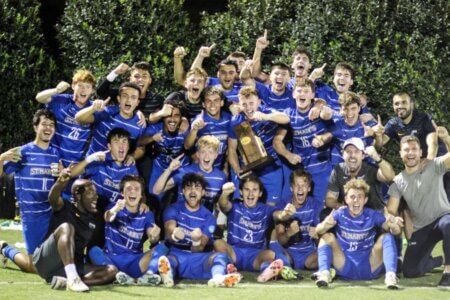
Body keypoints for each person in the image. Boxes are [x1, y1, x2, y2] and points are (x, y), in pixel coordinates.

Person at [31, 170, 117, 292]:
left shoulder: (94, 219)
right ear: (77, 195)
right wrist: (60, 183)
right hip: (47, 260)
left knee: (112, 270)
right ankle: (72, 277)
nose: (95, 197)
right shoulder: (64, 206)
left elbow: (92, 250)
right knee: (67, 227)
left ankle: (69, 282)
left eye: (96, 193)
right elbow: (53, 198)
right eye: (90, 193)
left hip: (68, 268)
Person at [0, 109, 60, 273]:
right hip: (32, 215)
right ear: (35, 127)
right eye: (44, 124)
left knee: (59, 260)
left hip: (52, 214)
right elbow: (2, 173)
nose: (48, 128)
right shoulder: (23, 152)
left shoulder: (56, 153)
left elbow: (58, 182)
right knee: (35, 268)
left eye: (52, 125)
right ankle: (5, 248)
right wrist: (1, 158)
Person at [315, 178, 403, 289]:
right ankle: (324, 274)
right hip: (344, 264)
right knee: (327, 236)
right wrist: (324, 226)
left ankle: (390, 276)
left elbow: (396, 232)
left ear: (365, 200)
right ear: (346, 199)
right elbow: (318, 231)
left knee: (387, 236)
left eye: (360, 197)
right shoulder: (339, 214)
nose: (356, 200)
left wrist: (394, 226)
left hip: (369, 265)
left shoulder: (372, 215)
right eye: (352, 197)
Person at [387, 134, 450, 287]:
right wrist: (392, 219)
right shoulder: (398, 181)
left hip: (443, 218)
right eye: (406, 150)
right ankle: (439, 260)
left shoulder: (433, 165)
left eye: (414, 149)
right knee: (410, 271)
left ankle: (448, 272)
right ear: (401, 153)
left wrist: (447, 138)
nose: (410, 153)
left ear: (421, 152)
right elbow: (390, 210)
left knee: (449, 224)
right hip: (422, 228)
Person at [157, 173, 242, 287]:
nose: (192, 191)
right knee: (168, 260)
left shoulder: (209, 217)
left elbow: (199, 248)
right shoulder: (173, 209)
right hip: (177, 255)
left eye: (197, 188)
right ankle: (168, 275)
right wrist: (175, 233)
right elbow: (169, 229)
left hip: (199, 259)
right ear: (183, 191)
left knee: (221, 256)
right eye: (189, 187)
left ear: (202, 192)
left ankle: (218, 278)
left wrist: (196, 240)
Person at [214, 174, 296, 282]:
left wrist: (286, 213)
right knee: (218, 243)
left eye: (255, 190)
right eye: (246, 189)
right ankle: (230, 269)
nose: (250, 194)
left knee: (270, 254)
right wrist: (224, 194)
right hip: (234, 252)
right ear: (241, 192)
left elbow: (279, 215)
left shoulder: (266, 210)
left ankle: (266, 272)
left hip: (255, 255)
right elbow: (223, 204)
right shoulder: (235, 206)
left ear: (260, 193)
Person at [89, 175, 162, 286]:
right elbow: (108, 217)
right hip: (111, 261)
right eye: (128, 189)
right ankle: (117, 275)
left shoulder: (147, 213)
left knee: (163, 247)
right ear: (122, 193)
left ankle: (148, 275)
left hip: (135, 262)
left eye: (137, 189)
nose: (132, 192)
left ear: (141, 195)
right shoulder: (113, 206)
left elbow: (152, 237)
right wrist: (115, 209)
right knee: (93, 250)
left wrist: (154, 236)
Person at [274, 79, 333, 204]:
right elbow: (277, 141)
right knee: (289, 206)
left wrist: (323, 138)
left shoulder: (320, 111)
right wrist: (288, 155)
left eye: (306, 91)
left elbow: (334, 132)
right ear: (293, 94)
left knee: (320, 208)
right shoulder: (288, 115)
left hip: (321, 170)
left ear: (312, 95)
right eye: (299, 91)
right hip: (300, 172)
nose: (302, 94)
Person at [228, 86, 290, 205]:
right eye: (244, 104)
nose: (248, 107)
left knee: (271, 206)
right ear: (240, 105)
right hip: (247, 167)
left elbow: (286, 119)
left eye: (251, 103)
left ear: (259, 102)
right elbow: (231, 150)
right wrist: (238, 171)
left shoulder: (267, 111)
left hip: (271, 166)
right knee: (242, 205)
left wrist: (265, 117)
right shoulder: (236, 121)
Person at [35, 69, 95, 168]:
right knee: (52, 183)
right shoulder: (62, 101)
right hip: (54, 160)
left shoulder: (93, 108)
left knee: (72, 183)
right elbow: (39, 98)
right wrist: (56, 90)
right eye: (80, 85)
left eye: (88, 87)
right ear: (73, 86)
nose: (83, 90)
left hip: (75, 165)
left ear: (92, 90)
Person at [153, 135, 226, 212]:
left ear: (216, 155)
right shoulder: (185, 172)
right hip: (182, 219)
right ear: (198, 154)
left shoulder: (221, 178)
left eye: (210, 152)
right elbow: (156, 191)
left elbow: (221, 206)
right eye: (203, 152)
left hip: (204, 221)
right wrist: (169, 170)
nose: (206, 156)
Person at [75, 82, 145, 160]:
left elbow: (141, 148)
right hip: (92, 165)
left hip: (115, 170)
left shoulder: (140, 123)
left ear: (137, 102)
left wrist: (132, 156)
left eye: (133, 97)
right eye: (125, 96)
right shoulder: (107, 112)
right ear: (119, 99)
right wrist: (93, 108)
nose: (129, 100)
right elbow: (79, 118)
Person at [326, 137, 395, 211]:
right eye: (348, 151)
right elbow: (330, 199)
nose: (352, 155)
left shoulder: (371, 169)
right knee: (325, 213)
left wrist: (377, 158)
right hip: (351, 214)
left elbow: (390, 176)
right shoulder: (338, 170)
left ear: (363, 155)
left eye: (356, 151)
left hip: (375, 214)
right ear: (343, 155)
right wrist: (344, 208)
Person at [139, 98, 190, 199]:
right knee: (153, 196)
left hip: (181, 167)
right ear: (163, 118)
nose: (172, 119)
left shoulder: (184, 128)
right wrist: (152, 138)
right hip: (160, 165)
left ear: (181, 118)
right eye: (168, 116)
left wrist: (188, 131)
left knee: (182, 199)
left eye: (176, 116)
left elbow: (190, 145)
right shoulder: (157, 128)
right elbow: (140, 141)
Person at [273, 169, 321, 271]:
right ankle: (282, 266)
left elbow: (320, 242)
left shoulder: (316, 205)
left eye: (303, 185)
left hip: (309, 256)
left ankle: (325, 269)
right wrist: (289, 233)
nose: (300, 189)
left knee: (327, 249)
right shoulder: (283, 205)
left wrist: (316, 235)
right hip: (289, 253)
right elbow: (281, 240)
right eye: (296, 185)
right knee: (277, 254)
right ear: (291, 188)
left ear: (309, 188)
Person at [184, 86, 232, 170]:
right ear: (203, 104)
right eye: (208, 101)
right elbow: (187, 146)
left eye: (216, 100)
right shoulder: (199, 120)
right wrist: (194, 130)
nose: (212, 104)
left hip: (219, 168)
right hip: (200, 168)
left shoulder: (228, 119)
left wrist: (226, 166)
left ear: (222, 103)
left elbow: (231, 145)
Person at [96, 61, 164, 116]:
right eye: (136, 76)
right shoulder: (122, 94)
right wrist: (115, 72)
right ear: (130, 79)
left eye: (144, 76)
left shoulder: (157, 100)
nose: (140, 79)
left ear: (150, 80)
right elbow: (101, 91)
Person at [329, 91, 379, 165]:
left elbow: (379, 145)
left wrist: (378, 135)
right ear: (340, 110)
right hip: (342, 171)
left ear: (359, 108)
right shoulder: (334, 125)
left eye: (353, 108)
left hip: (366, 169)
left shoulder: (368, 123)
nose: (350, 113)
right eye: (346, 109)